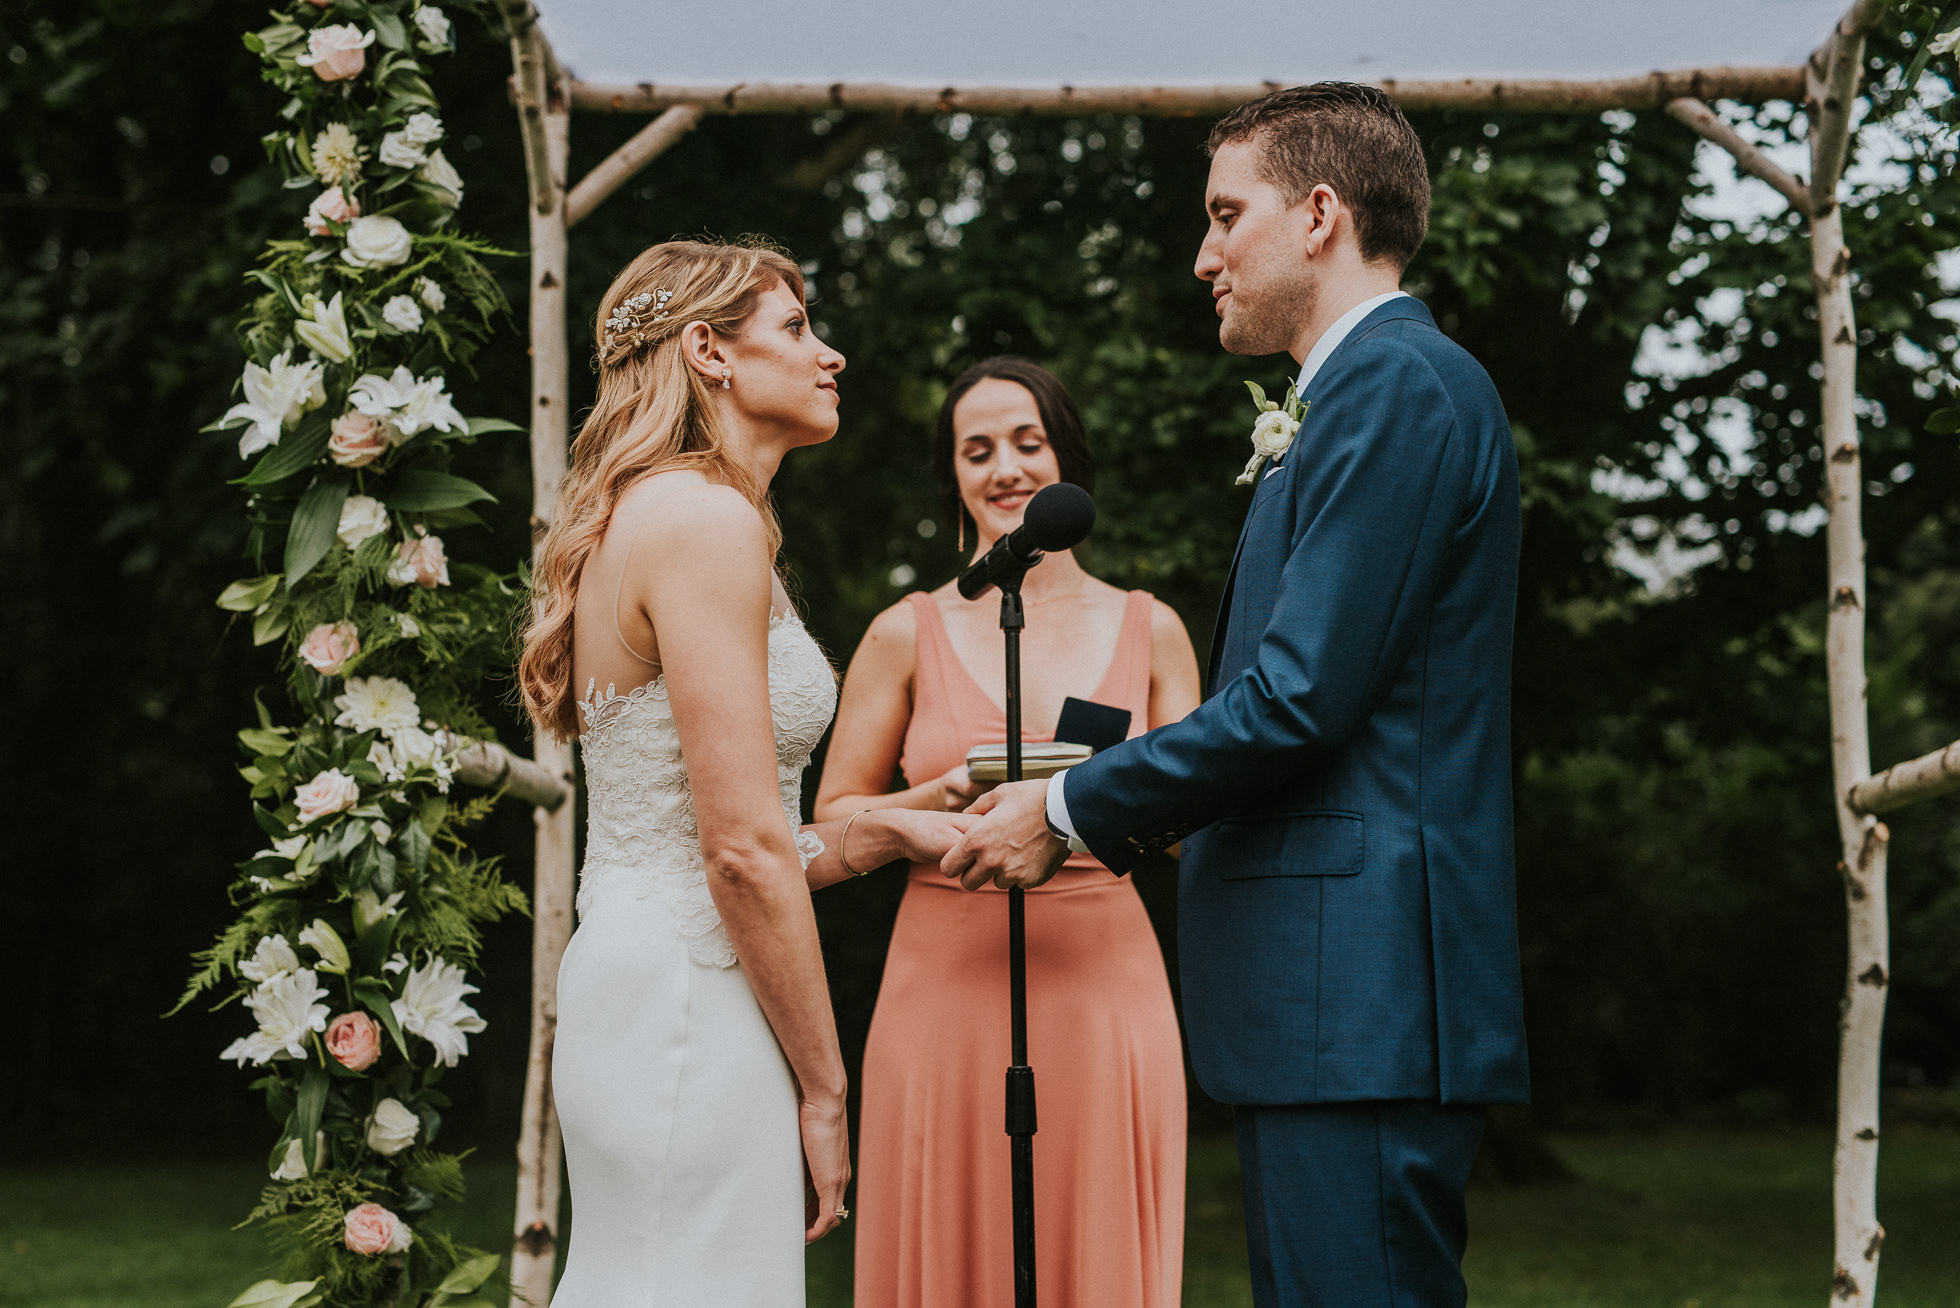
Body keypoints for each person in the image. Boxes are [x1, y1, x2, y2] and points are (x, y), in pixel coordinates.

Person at [945, 85, 1530, 1307]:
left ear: (1319, 214)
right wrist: (1073, 786)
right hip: (1327, 1003)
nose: (1202, 256)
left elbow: (1297, 701)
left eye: (1225, 216)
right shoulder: (1356, 395)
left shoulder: (1397, 388)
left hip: (1359, 999)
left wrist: (1064, 815)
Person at [517, 239, 971, 1307]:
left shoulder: (663, 513)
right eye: (797, 328)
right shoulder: (704, 520)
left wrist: (895, 827)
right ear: (709, 352)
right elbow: (736, 851)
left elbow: (718, 839)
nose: (832, 355)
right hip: (690, 997)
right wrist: (824, 1085)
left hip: (642, 971)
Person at [814, 356, 1201, 1307]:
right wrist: (934, 810)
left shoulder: (1153, 631)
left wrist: (1106, 813)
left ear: (1067, 458)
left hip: (1105, 981)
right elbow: (829, 822)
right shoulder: (903, 632)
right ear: (953, 476)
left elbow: (1201, 822)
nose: (1005, 469)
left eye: (1027, 443)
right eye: (976, 450)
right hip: (941, 984)